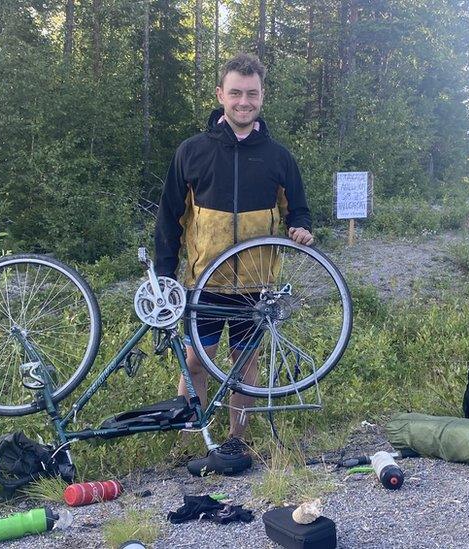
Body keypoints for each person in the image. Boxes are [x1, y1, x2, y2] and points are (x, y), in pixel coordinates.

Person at [154, 53, 314, 475]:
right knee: (195, 361)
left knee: (246, 364)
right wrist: (162, 275)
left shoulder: (279, 157)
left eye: (252, 94)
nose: (244, 101)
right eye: (236, 93)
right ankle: (190, 440)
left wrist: (300, 228)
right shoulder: (192, 151)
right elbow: (169, 215)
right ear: (220, 95)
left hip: (256, 284)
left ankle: (236, 442)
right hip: (205, 281)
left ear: (262, 96)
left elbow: (300, 208)